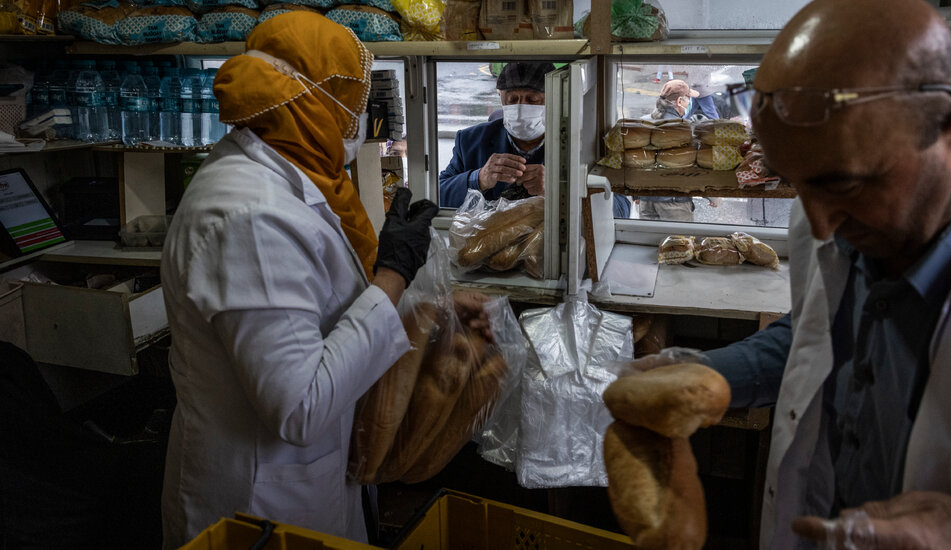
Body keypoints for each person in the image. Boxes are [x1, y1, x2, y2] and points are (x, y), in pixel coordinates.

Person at [695, 0, 951, 548]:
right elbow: (822, 334)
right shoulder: (828, 198)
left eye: (846, 184)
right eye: (797, 183)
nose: (818, 224)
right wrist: (709, 375)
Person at [159, 13, 489, 548]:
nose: (356, 124)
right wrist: (393, 275)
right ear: (314, 102)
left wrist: (432, 319)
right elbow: (300, 405)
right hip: (259, 498)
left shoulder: (294, 177)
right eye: (352, 105)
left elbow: (325, 318)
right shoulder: (249, 215)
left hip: (320, 481)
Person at [439, 62, 631, 218]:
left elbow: (621, 209)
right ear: (501, 100)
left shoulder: (584, 145)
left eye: (532, 100)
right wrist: (479, 178)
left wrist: (560, 192)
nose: (521, 108)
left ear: (555, 101)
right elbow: (438, 195)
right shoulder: (471, 141)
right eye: (512, 99)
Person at [638, 79, 698, 222]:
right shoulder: (683, 128)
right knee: (679, 243)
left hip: (646, 200)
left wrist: (636, 194)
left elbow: (638, 161)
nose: (689, 103)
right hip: (674, 201)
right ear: (679, 101)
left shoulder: (643, 122)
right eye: (688, 99)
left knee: (647, 242)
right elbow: (694, 163)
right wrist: (713, 195)